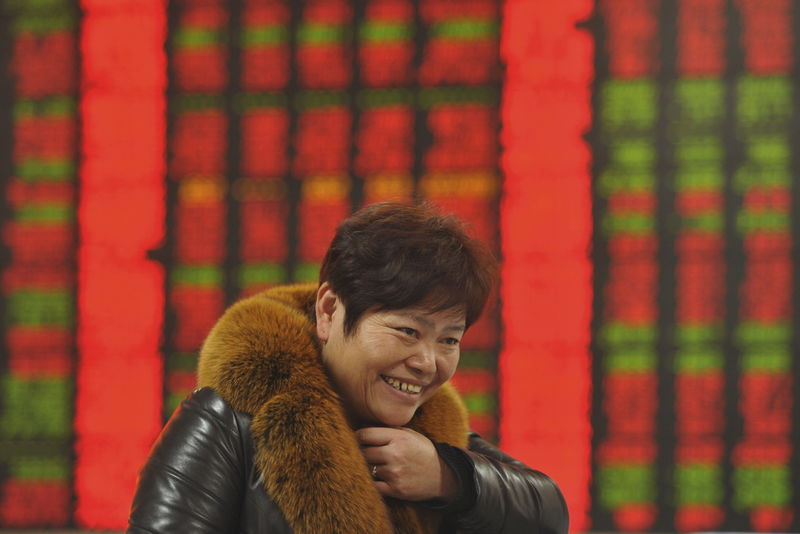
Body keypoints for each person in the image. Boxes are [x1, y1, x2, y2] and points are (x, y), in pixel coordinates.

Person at [127, 202, 568, 534]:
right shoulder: (226, 423)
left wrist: (447, 476)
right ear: (329, 311)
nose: (427, 363)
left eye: (449, 340)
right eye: (407, 331)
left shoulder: (432, 437)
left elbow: (550, 511)